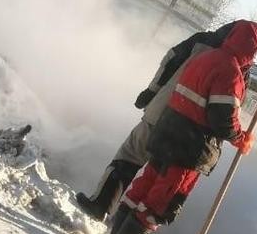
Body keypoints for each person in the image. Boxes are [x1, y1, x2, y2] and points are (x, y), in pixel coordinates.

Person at [97, 20, 257, 234]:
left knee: (142, 189)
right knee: (160, 201)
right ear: (253, 48)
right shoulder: (231, 72)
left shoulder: (206, 56)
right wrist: (240, 138)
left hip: (166, 133)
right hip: (189, 146)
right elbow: (222, 118)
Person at [75, 21, 244, 222]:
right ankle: (122, 232)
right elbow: (228, 108)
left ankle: (102, 205)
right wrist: (232, 137)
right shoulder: (240, 67)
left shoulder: (202, 41)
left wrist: (151, 91)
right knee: (158, 182)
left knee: (131, 155)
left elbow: (170, 61)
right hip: (191, 136)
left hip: (162, 111)